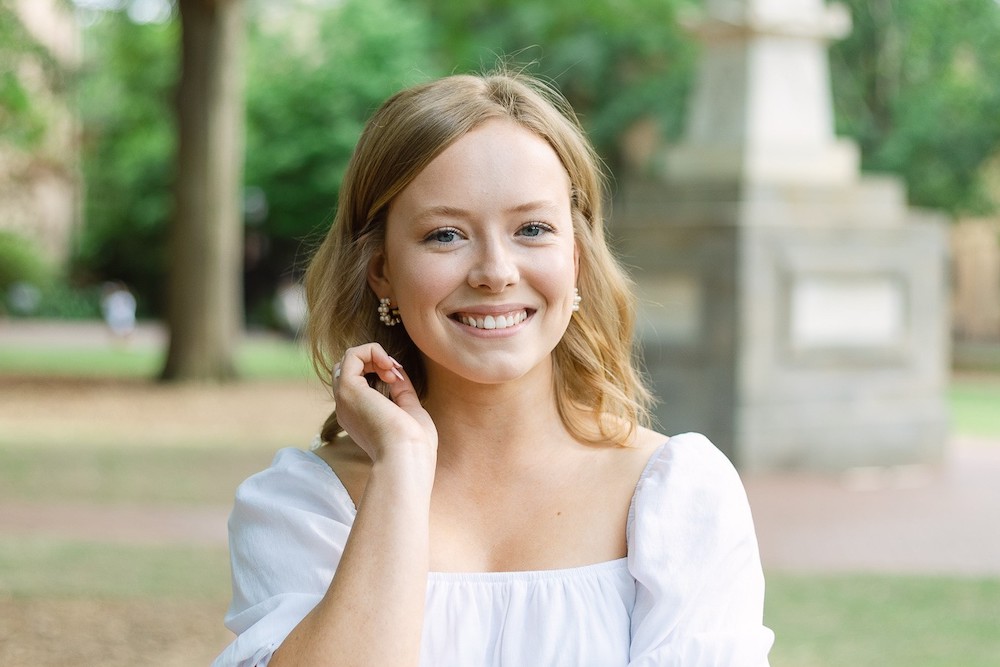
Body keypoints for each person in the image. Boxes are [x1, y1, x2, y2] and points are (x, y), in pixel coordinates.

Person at [213, 71, 774, 667]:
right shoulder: (303, 506)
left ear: (576, 258)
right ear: (381, 270)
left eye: (533, 229)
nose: (495, 271)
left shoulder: (679, 497)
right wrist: (401, 466)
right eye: (445, 235)